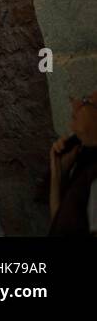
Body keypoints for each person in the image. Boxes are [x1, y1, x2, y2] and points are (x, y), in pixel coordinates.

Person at [49, 88, 97, 236]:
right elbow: (62, 225)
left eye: (86, 100)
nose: (75, 104)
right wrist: (57, 175)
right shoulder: (85, 166)